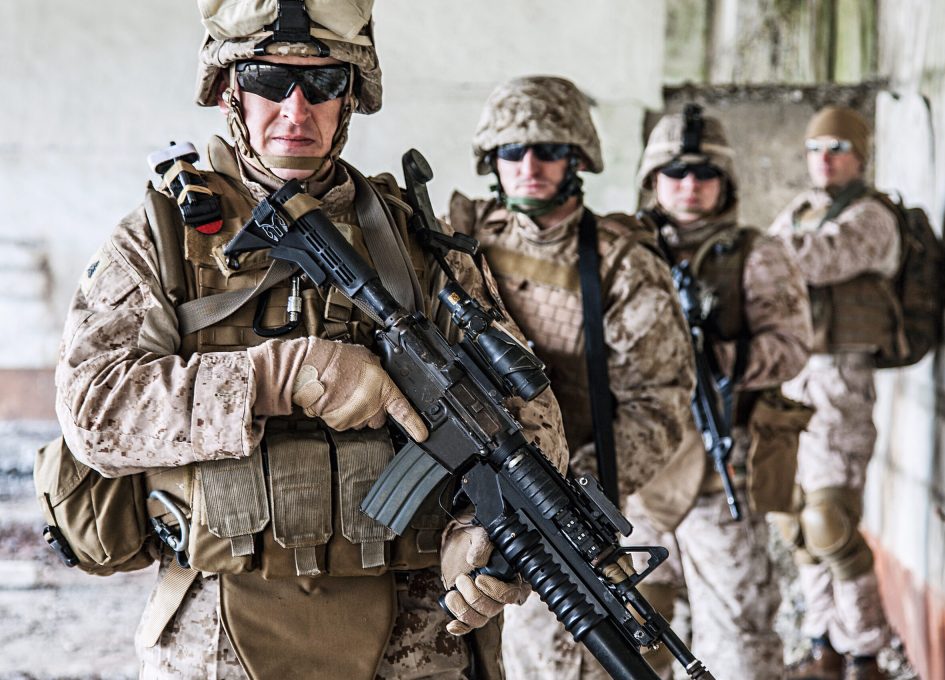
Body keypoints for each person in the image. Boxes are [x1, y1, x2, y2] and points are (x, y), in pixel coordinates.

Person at [53, 2, 568, 679]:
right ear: (229, 90)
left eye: (322, 83)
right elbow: (93, 413)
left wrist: (488, 533)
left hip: (414, 642)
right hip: (221, 636)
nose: (296, 110)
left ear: (350, 96)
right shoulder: (161, 238)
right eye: (269, 80)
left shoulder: (418, 240)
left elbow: (524, 413)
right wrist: (278, 375)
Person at [446, 76, 695, 679]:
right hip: (458, 490)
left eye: (549, 151)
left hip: (558, 500)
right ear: (490, 161)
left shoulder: (619, 262)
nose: (528, 165)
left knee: (552, 661)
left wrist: (565, 490)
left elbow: (658, 404)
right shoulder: (456, 242)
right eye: (512, 151)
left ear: (578, 160)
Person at [623, 105, 813, 680]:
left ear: (724, 184)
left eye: (704, 175)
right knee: (630, 628)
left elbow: (792, 345)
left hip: (719, 465)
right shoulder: (620, 250)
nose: (689, 187)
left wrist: (719, 359)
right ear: (652, 180)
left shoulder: (756, 253)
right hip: (638, 473)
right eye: (674, 173)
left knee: (737, 634)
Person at [769, 105, 898, 680]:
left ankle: (866, 651)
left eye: (838, 148)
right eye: (815, 150)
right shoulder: (799, 211)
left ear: (860, 156)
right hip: (790, 379)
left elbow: (814, 260)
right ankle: (823, 643)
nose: (825, 160)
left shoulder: (871, 217)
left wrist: (753, 251)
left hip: (840, 384)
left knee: (831, 522)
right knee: (796, 524)